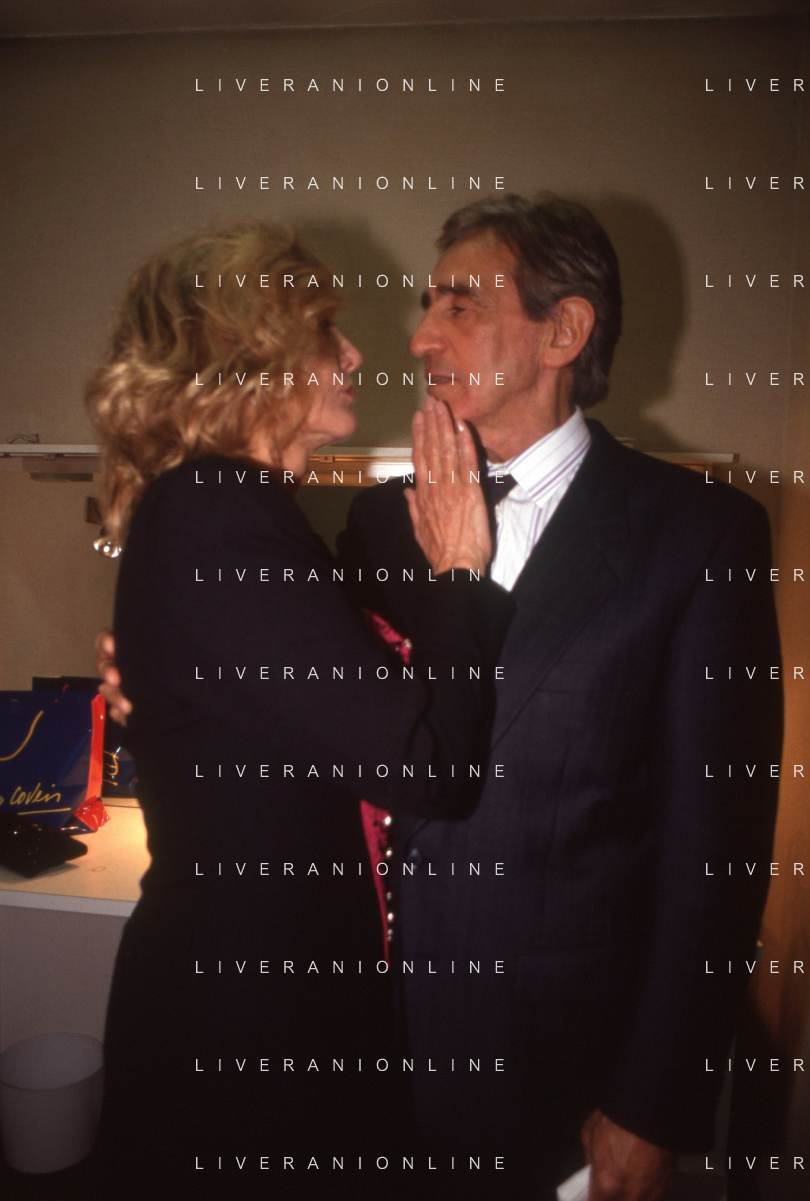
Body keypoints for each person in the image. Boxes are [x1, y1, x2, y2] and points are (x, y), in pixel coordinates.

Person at [99, 196, 783, 1201]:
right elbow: (292, 687)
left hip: (557, 1075)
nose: (418, 338)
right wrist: (151, 680)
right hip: (354, 1063)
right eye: (427, 306)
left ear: (563, 330)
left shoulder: (701, 536)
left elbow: (714, 858)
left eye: (460, 304)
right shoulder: (376, 522)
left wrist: (655, 1101)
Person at [87, 223, 513, 1201]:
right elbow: (426, 764)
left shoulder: (231, 511)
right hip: (241, 1034)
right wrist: (461, 569)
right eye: (326, 331)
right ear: (247, 355)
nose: (355, 354)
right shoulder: (217, 509)